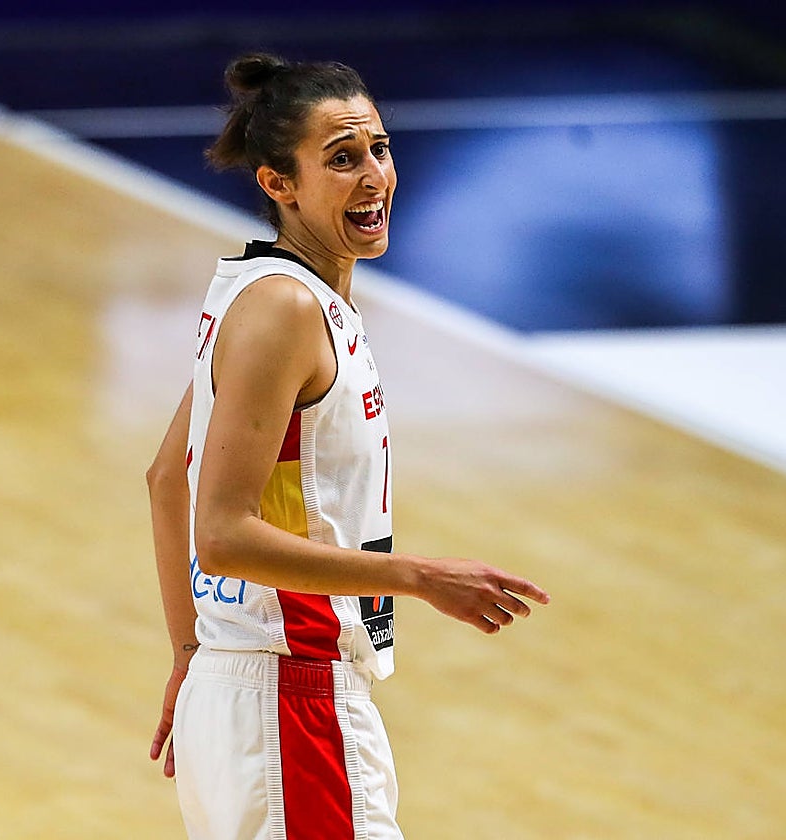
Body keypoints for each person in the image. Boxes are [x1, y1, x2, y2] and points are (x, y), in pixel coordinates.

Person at [146, 52, 550, 840]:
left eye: (380, 149)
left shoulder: (261, 293)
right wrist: (420, 576)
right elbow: (220, 533)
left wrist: (192, 652)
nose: (373, 175)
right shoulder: (287, 311)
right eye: (341, 158)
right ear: (278, 184)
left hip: (246, 697)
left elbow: (168, 477)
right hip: (291, 701)